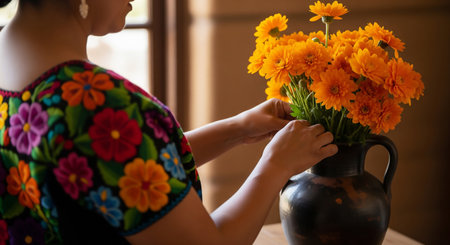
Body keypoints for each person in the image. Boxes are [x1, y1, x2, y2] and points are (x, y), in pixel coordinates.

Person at [0, 0, 338, 244]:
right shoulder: (100, 103)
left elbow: (112, 167)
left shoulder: (17, 65)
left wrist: (237, 128)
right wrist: (276, 165)